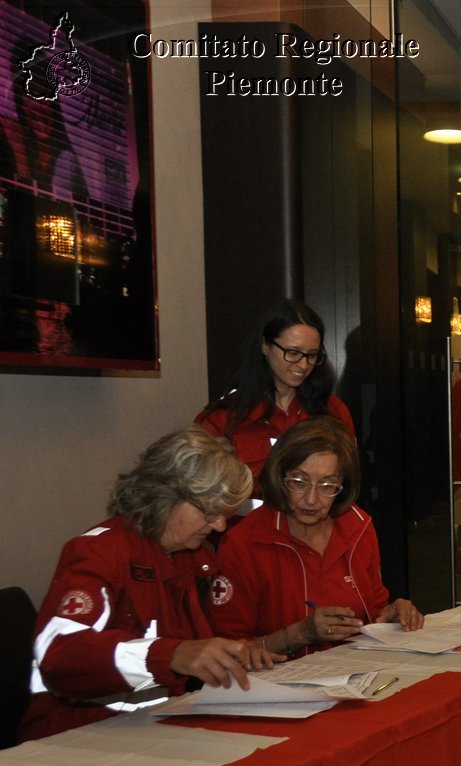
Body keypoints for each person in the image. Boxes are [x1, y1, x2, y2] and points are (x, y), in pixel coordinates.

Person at [20, 426, 274, 741]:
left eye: (225, 514)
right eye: (210, 511)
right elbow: (58, 655)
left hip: (148, 732)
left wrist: (225, 656)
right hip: (71, 739)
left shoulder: (186, 557)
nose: (219, 525)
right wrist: (170, 655)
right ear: (165, 496)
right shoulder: (98, 552)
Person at [209, 417, 420, 654]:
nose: (311, 499)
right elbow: (226, 653)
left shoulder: (357, 526)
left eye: (327, 485)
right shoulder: (244, 543)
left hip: (357, 674)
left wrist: (394, 615)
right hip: (276, 684)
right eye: (299, 482)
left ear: (343, 486)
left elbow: (374, 612)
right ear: (280, 477)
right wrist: (301, 634)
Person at [195, 299, 356, 490]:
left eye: (312, 355)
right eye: (293, 353)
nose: (303, 365)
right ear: (265, 345)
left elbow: (347, 482)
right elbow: (202, 494)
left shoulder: (332, 411)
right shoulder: (224, 417)